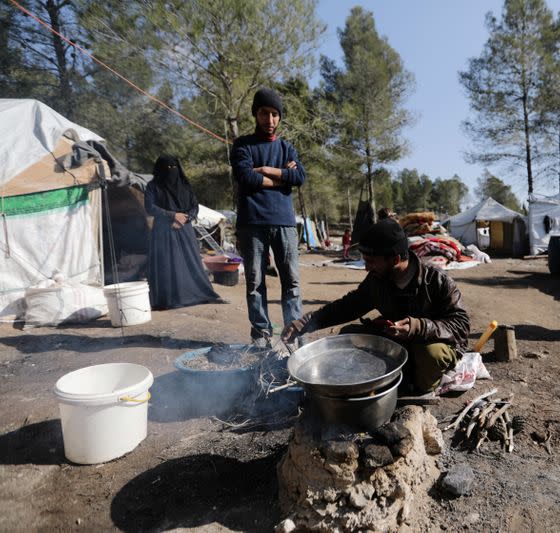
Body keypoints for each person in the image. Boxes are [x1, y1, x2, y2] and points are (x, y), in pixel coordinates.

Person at [282, 219, 470, 393]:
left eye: (370, 262)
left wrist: (417, 327)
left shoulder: (436, 280)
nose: (366, 268)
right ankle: (394, 378)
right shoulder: (377, 280)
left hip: (430, 343)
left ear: (395, 259)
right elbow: (347, 306)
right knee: (348, 337)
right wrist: (303, 323)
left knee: (430, 354)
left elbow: (461, 324)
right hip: (396, 340)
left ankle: (421, 389)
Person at [231, 87, 306, 348]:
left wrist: (265, 170)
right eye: (265, 113)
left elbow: (299, 177)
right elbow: (245, 176)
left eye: (275, 114)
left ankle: (293, 332)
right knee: (255, 282)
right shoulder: (243, 145)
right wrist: (281, 179)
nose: (270, 120)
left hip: (284, 223)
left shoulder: (287, 148)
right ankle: (262, 335)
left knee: (291, 282)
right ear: (256, 114)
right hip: (252, 223)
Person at [144, 155, 221, 309]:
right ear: (160, 170)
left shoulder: (185, 185)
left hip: (184, 229)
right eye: (167, 168)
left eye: (174, 167)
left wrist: (185, 218)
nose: (171, 171)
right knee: (167, 264)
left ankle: (192, 293)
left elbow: (195, 206)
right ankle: (169, 298)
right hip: (164, 230)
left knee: (189, 262)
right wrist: (172, 216)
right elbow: (150, 207)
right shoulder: (153, 186)